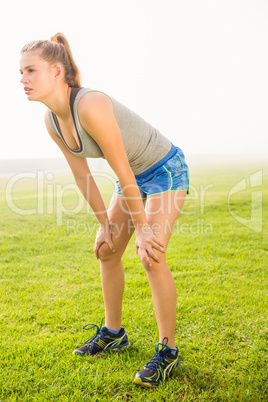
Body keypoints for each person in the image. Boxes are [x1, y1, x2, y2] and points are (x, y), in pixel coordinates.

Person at [19, 32, 189, 387]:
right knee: (106, 250)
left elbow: (122, 167)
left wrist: (143, 228)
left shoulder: (90, 104)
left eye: (30, 71)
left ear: (55, 72)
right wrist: (104, 226)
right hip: (131, 177)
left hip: (163, 170)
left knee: (151, 254)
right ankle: (114, 333)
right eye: (21, 72)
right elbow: (82, 176)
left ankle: (168, 352)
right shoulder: (52, 120)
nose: (23, 79)